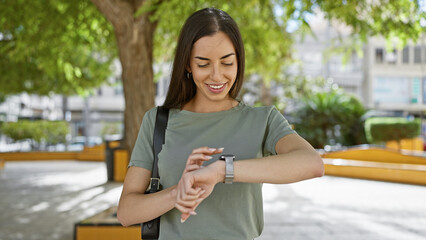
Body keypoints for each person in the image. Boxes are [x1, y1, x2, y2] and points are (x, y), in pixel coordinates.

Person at [117, 7, 324, 240]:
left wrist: (221, 171)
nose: (216, 76)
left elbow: (312, 164)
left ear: (239, 61)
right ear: (187, 64)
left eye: (227, 63)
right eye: (203, 64)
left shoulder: (263, 119)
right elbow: (126, 213)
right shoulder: (157, 121)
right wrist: (177, 193)